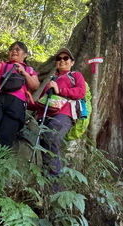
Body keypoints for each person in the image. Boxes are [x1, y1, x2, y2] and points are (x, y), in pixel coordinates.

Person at [0, 41, 39, 147]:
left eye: (18, 49)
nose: (14, 51)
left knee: (6, 136)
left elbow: (35, 86)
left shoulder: (29, 70)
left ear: (25, 54)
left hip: (17, 103)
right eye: (11, 49)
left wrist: (24, 73)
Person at [36, 47, 86, 177]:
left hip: (65, 113)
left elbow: (81, 92)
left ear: (72, 62)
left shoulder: (75, 75)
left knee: (52, 138)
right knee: (44, 146)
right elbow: (42, 100)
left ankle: (54, 184)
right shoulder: (51, 80)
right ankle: (45, 183)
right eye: (59, 58)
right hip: (46, 116)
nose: (62, 61)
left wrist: (60, 90)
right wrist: (28, 101)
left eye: (65, 58)